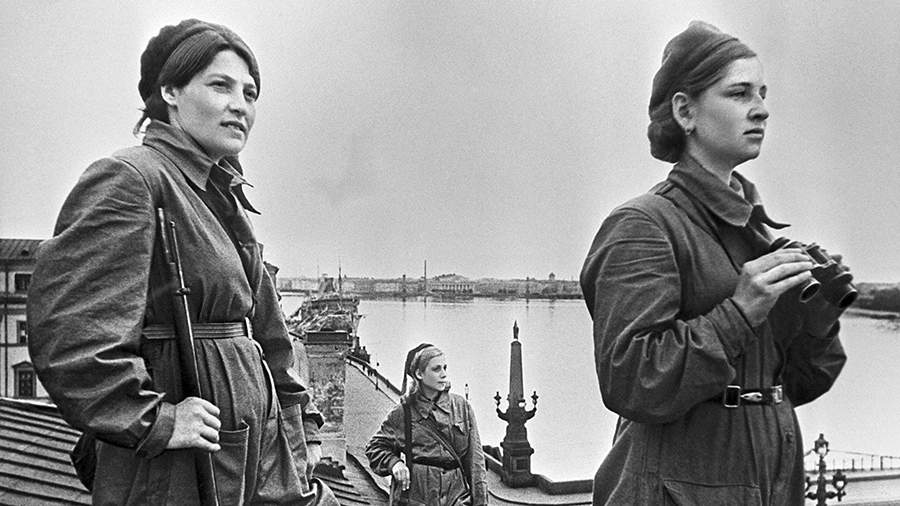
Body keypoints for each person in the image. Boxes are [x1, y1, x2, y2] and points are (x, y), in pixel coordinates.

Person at [27, 19, 333, 505]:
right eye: (221, 86)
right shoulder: (131, 179)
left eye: (250, 93)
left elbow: (269, 332)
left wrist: (302, 431)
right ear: (170, 91)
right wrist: (157, 420)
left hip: (251, 453)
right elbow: (71, 338)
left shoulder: (222, 196)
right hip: (176, 470)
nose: (240, 105)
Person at [579, 21, 847, 505]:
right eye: (739, 93)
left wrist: (817, 319)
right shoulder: (643, 225)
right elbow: (631, 381)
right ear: (685, 111)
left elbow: (799, 385)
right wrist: (740, 312)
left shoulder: (758, 236)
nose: (761, 108)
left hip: (768, 487)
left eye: (762, 93)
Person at [365, 344, 488, 505]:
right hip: (419, 497)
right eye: (436, 369)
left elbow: (476, 462)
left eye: (445, 368)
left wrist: (481, 502)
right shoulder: (403, 412)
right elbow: (375, 448)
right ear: (419, 374)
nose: (444, 374)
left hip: (457, 498)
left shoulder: (461, 407)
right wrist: (394, 463)